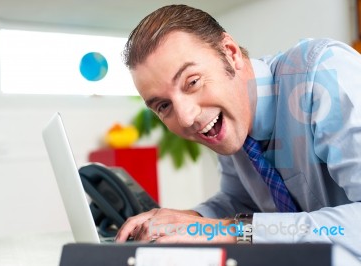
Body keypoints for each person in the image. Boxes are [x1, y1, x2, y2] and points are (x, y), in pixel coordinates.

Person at [114, 4, 361, 258]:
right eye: (164, 106)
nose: (187, 117)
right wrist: (192, 220)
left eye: (193, 82)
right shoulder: (229, 122)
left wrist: (227, 230)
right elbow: (239, 200)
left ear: (230, 54)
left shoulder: (325, 73)